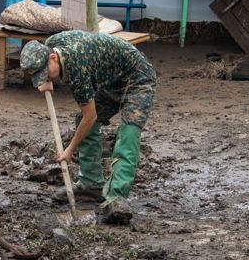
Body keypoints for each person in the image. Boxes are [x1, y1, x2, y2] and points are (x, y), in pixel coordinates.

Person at [20, 30, 156, 225]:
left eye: (45, 73)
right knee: (82, 120)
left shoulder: (77, 69)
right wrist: (47, 79)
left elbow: (90, 116)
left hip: (138, 77)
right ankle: (91, 183)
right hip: (111, 78)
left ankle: (117, 197)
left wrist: (69, 150)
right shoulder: (52, 44)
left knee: (129, 130)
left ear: (53, 57)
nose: (45, 78)